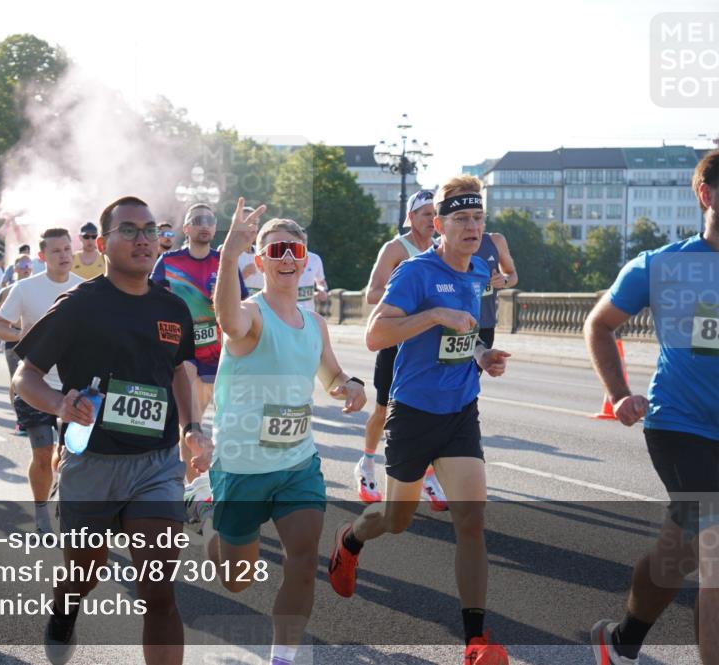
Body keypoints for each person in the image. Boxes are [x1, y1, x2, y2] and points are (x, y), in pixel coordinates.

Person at [12, 196, 210, 665]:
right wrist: (61, 403)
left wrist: (192, 427)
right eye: (128, 230)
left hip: (156, 466)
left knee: (158, 589)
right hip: (92, 463)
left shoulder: (174, 308)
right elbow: (25, 377)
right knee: (85, 574)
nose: (142, 239)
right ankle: (65, 608)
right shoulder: (79, 305)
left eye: (148, 230)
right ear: (102, 244)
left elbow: (181, 372)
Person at [327, 176, 512, 664]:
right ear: (439, 225)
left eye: (478, 219)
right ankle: (350, 539)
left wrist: (483, 354)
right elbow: (374, 335)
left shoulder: (476, 273)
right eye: (462, 219)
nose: (473, 228)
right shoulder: (417, 272)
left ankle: (476, 639)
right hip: (412, 413)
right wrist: (434, 316)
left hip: (459, 411)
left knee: (471, 518)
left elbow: (462, 338)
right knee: (396, 519)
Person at [190, 202, 366, 665]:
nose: (288, 257)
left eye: (296, 250)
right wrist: (229, 256)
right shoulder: (251, 314)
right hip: (244, 465)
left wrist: (350, 387)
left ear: (305, 260)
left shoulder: (315, 324)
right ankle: (212, 521)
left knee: (303, 559)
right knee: (237, 578)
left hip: (296, 463)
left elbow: (331, 376)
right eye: (277, 250)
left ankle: (282, 658)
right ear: (262, 260)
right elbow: (227, 322)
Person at [585, 149, 719, 665]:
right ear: (707, 194)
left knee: (679, 553)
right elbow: (599, 324)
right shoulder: (662, 265)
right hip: (681, 427)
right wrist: (619, 394)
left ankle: (621, 643)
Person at [0, 228, 83, 532]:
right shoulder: (25, 288)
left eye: (68, 249)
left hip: (73, 387)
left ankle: (63, 499)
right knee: (43, 453)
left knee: (72, 457)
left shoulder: (84, 290)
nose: (64, 256)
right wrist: (27, 337)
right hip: (34, 385)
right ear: (43, 256)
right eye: (56, 251)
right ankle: (41, 511)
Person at [151, 203, 248, 484]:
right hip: (186, 356)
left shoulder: (225, 261)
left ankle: (223, 485)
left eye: (210, 220)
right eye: (198, 220)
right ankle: (192, 489)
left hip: (223, 355)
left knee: (230, 427)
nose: (205, 224)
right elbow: (155, 303)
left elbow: (242, 304)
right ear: (187, 228)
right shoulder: (169, 262)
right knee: (191, 425)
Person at [357, 189, 441, 506]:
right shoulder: (396, 248)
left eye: (436, 214)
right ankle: (366, 463)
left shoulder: (438, 250)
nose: (432, 220)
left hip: (426, 343)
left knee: (428, 408)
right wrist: (407, 299)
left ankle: (427, 474)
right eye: (425, 214)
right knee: (382, 409)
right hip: (395, 338)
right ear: (410, 217)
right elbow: (371, 293)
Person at [0, 255, 34, 435]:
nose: (26, 268)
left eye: (28, 265)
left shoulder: (37, 287)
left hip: (33, 340)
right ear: (15, 269)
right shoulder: (7, 291)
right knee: (16, 379)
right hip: (13, 339)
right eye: (22, 265)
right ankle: (20, 419)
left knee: (33, 378)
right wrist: (8, 326)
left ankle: (33, 414)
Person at [474, 231, 517, 351]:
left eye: (478, 217)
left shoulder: (495, 241)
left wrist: (504, 280)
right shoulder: (443, 243)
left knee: (477, 369)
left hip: (485, 326)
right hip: (455, 326)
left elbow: (512, 275)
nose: (474, 223)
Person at [295, 243, 328, 312]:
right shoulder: (282, 259)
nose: (302, 242)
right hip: (284, 314)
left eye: (304, 240)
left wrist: (322, 290)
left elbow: (320, 281)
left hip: (308, 312)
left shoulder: (314, 259)